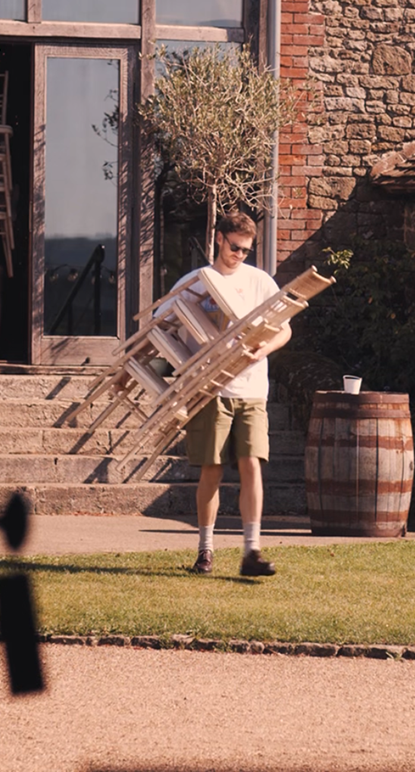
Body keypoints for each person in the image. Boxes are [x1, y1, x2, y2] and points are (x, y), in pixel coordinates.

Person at [171, 209, 291, 576]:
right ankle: (205, 551)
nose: (239, 255)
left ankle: (251, 552)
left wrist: (264, 349)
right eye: (235, 247)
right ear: (219, 239)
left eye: (246, 250)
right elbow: (166, 330)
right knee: (212, 470)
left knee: (252, 463)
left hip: (252, 389)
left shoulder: (260, 282)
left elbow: (284, 329)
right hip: (211, 390)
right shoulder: (194, 282)